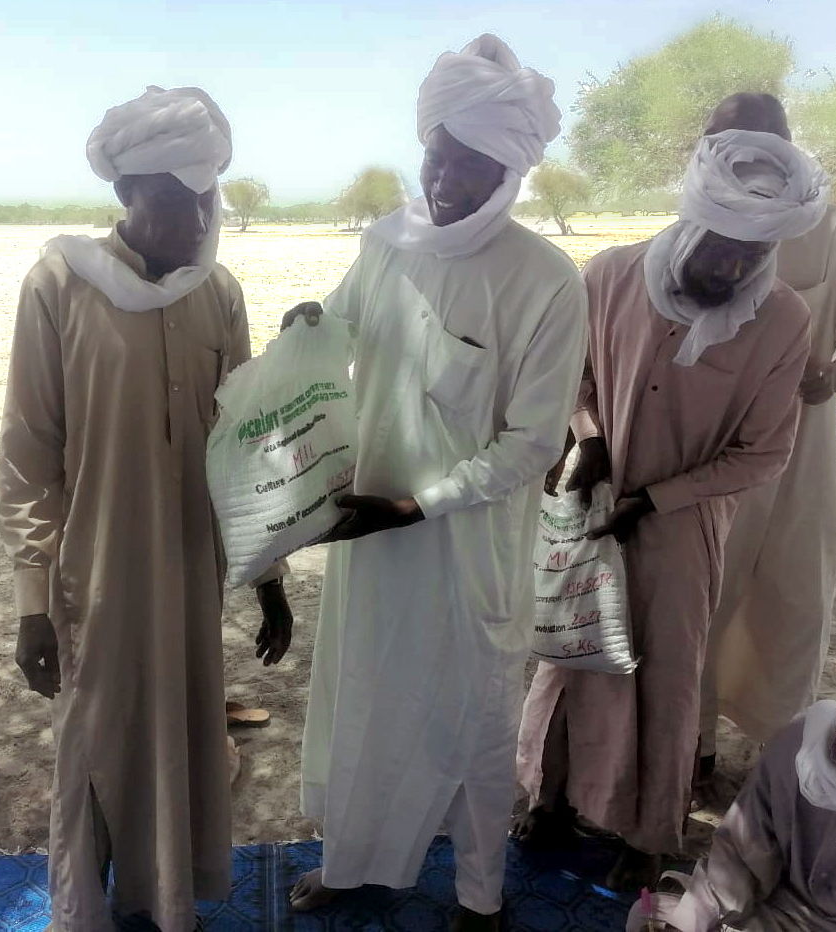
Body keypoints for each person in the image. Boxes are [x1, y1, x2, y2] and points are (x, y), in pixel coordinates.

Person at [284, 34, 588, 931]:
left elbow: (533, 443)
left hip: (467, 552)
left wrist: (419, 504)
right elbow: (336, 334)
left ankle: (479, 897)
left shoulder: (545, 280)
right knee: (366, 705)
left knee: (474, 726)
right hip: (369, 540)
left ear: (513, 170)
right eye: (437, 155)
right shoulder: (384, 245)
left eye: (473, 164)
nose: (448, 179)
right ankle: (353, 864)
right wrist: (309, 326)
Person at [0, 86, 294, 932]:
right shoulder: (58, 284)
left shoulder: (218, 291)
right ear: (126, 194)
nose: (195, 217)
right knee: (94, 743)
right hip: (94, 572)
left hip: (191, 573)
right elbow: (27, 449)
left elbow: (247, 444)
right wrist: (31, 604)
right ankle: (83, 910)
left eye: (207, 196)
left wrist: (268, 576)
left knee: (186, 738)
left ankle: (168, 905)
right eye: (173, 197)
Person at [517, 128, 827, 891]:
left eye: (749, 257)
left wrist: (657, 499)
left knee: (664, 675)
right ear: (691, 221)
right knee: (568, 656)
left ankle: (649, 833)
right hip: (590, 507)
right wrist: (588, 440)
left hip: (683, 533)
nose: (729, 267)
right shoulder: (610, 275)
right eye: (718, 248)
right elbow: (576, 380)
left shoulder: (782, 320)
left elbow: (763, 453)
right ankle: (548, 798)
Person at [697, 95, 836, 781]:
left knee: (792, 597)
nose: (738, 155)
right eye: (720, 140)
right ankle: (692, 748)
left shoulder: (834, 233)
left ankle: (775, 755)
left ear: (784, 145)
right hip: (709, 451)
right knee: (702, 594)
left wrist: (833, 374)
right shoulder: (693, 228)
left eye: (754, 140)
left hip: (804, 447)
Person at [629, 654, 836, 931]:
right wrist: (690, 922)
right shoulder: (799, 745)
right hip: (773, 911)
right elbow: (741, 850)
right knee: (649, 915)